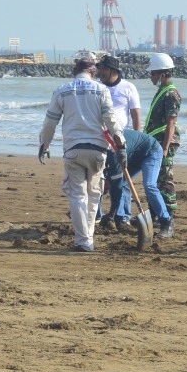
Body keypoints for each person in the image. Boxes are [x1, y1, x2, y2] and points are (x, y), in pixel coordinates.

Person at [37, 57, 123, 253]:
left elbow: (50, 122)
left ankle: (83, 241)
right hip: (98, 151)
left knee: (77, 195)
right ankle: (88, 239)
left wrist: (44, 144)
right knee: (93, 195)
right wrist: (121, 145)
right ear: (93, 73)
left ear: (75, 72)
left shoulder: (62, 90)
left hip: (73, 149)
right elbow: (111, 120)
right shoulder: (102, 90)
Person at [96, 55, 142, 232]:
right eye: (99, 68)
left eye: (104, 69)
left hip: (121, 141)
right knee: (99, 180)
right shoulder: (97, 88)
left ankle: (123, 216)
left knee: (121, 180)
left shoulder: (128, 88)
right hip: (99, 140)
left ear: (113, 71)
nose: (100, 72)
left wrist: (136, 140)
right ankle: (98, 216)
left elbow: (136, 115)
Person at [143, 52, 182, 221]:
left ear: (162, 73)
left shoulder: (171, 94)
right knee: (155, 179)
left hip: (164, 142)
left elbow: (171, 123)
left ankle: (169, 216)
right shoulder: (162, 91)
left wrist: (165, 148)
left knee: (165, 179)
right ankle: (155, 213)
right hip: (155, 141)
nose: (151, 77)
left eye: (153, 73)